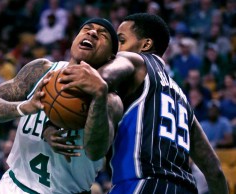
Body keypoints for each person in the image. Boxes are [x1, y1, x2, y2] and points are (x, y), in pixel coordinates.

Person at [46, 13, 228, 194]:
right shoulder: (183, 101)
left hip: (142, 184)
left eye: (122, 41)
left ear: (146, 45)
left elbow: (104, 77)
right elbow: (215, 172)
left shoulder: (135, 60)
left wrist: (52, 120)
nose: (117, 49)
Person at [0, 18, 123, 193]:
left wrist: (98, 97)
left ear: (111, 57)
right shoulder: (41, 70)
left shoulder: (109, 100)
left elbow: (95, 151)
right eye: (87, 29)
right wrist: (24, 107)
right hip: (15, 186)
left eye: (102, 35)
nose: (92, 33)